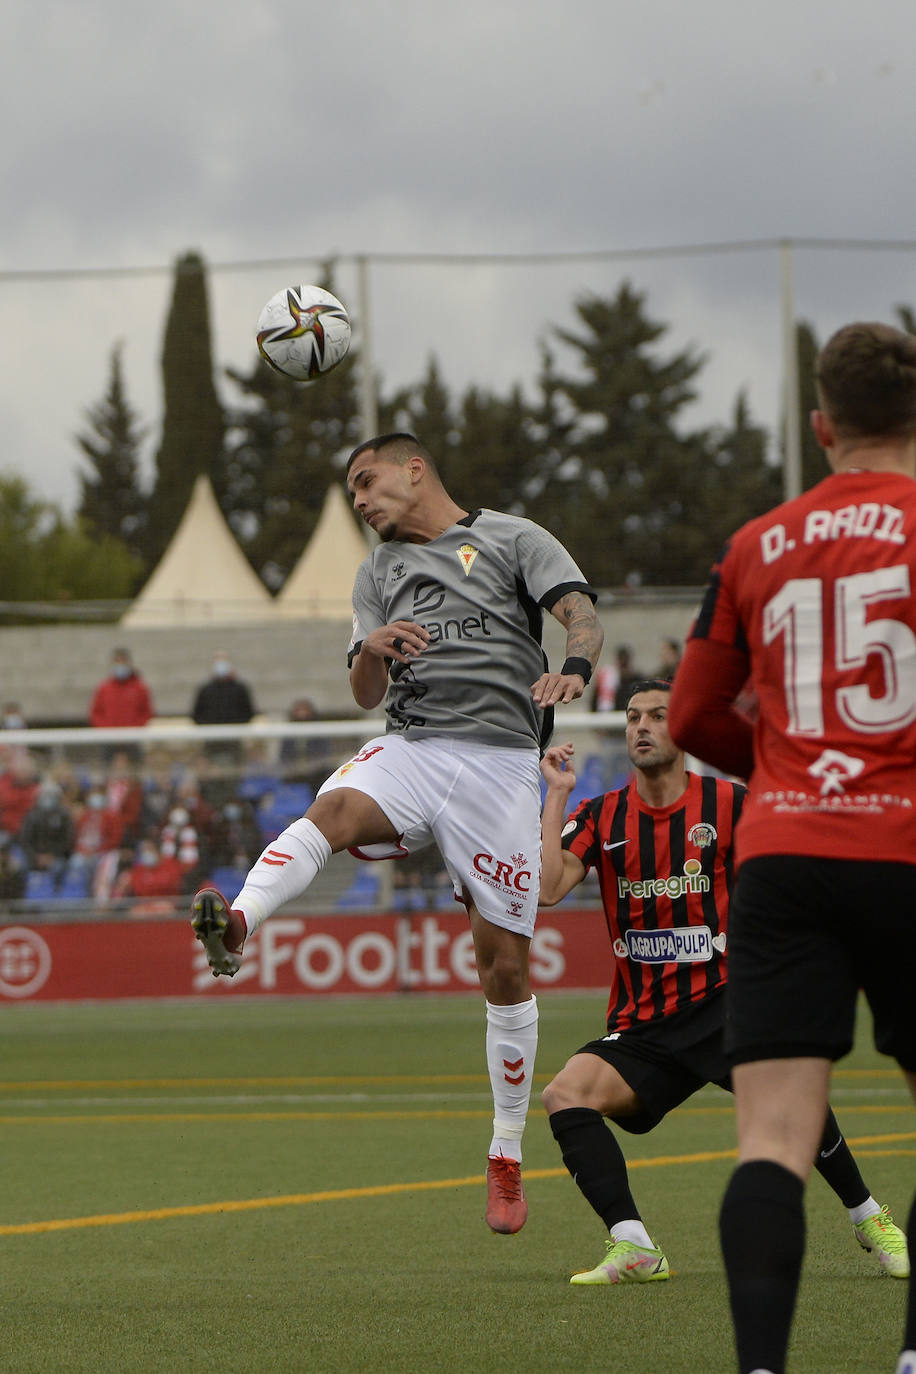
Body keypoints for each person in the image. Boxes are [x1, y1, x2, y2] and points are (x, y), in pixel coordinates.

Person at [191, 430, 603, 1233]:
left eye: (366, 482)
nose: (360, 500)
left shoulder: (514, 538)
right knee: (333, 810)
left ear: (415, 471)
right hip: (412, 745)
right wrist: (370, 650)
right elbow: (361, 690)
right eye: (352, 492)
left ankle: (507, 1153)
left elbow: (580, 618)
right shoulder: (377, 571)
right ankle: (238, 924)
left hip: (502, 766)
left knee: (505, 969)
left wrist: (575, 668)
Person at [667, 322, 916, 1374]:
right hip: (907, 851)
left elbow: (688, 716)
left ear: (821, 426)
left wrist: (776, 764)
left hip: (782, 854)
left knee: (771, 1137)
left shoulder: (754, 543)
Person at [539, 679, 909, 1291]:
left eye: (658, 715)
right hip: (644, 1025)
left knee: (797, 1106)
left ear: (681, 730)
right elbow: (549, 887)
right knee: (565, 1095)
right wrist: (557, 795)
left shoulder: (730, 805)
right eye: (633, 717)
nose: (642, 727)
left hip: (725, 1002)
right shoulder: (601, 814)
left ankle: (870, 1219)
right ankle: (634, 1246)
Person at [89, 648, 154, 730]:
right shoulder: (104, 688)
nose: (120, 665)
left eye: (123, 661)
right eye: (117, 661)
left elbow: (146, 712)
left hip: (132, 736)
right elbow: (96, 713)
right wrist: (106, 728)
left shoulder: (139, 688)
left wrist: (135, 727)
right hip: (108, 736)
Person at [191, 652, 255, 726]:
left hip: (235, 732)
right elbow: (197, 714)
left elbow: (248, 712)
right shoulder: (205, 690)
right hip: (211, 733)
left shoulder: (240, 689)